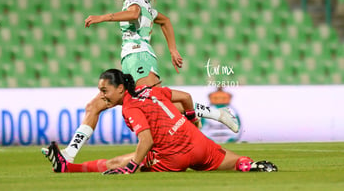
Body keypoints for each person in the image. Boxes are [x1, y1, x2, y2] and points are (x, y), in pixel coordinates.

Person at [51, 0, 239, 163]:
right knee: (95, 106)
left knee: (157, 105)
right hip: (132, 61)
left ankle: (218, 115)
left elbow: (134, 14)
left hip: (140, 58)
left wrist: (103, 17)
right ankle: (69, 154)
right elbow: (164, 20)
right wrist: (172, 49)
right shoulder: (142, 0)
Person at [44, 69, 277, 174]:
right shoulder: (150, 91)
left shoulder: (129, 107)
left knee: (117, 161)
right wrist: (190, 121)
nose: (102, 95)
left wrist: (132, 166)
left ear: (121, 88)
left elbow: (146, 140)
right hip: (198, 143)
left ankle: (68, 167)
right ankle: (249, 165)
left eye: (105, 90)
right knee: (236, 161)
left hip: (174, 157)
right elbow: (186, 98)